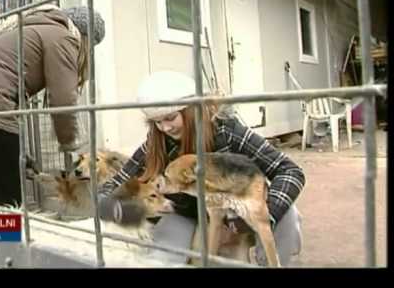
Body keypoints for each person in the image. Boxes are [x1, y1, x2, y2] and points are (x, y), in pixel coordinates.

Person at [98, 70, 305, 266]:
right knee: (162, 257)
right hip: (188, 216)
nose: (165, 128)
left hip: (236, 212)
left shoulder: (227, 131)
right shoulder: (156, 143)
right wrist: (113, 207)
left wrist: (262, 214)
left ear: (190, 110)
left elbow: (290, 171)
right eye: (157, 122)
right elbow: (116, 183)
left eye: (170, 118)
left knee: (288, 217)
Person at [0, 4, 105, 206]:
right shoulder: (62, 37)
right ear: (86, 39)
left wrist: (17, 151)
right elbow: (63, 100)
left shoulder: (30, 30)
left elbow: (1, 84)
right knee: (8, 205)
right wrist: (70, 143)